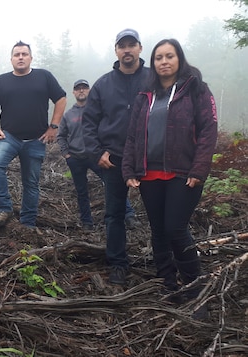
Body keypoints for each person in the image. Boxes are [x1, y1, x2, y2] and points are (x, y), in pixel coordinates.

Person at [122, 39, 217, 315]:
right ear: (153, 63)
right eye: (159, 57)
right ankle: (167, 282)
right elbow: (132, 136)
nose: (164, 62)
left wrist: (199, 169)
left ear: (179, 59)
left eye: (169, 56)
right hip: (149, 173)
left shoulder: (197, 89)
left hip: (183, 172)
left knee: (176, 228)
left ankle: (194, 288)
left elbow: (209, 131)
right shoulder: (145, 96)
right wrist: (128, 170)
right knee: (158, 230)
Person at [83, 28, 151, 285]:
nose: (127, 50)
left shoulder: (153, 79)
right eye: (122, 46)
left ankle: (166, 262)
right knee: (114, 214)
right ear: (116, 51)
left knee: (158, 213)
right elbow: (89, 123)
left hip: (149, 159)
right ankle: (118, 264)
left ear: (140, 48)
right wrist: (97, 152)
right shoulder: (103, 84)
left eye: (131, 45)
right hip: (114, 160)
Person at [0, 41, 66, 227]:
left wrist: (53, 126)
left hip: (36, 139)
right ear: (11, 59)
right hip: (9, 137)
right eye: (16, 54)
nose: (20, 57)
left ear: (30, 57)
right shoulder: (1, 81)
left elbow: (61, 98)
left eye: (24, 54)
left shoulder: (44, 77)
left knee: (31, 182)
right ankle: (3, 208)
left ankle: (27, 223)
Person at [57, 79, 138, 232]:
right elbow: (61, 136)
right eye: (78, 88)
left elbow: (108, 130)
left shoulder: (97, 111)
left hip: (97, 157)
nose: (81, 91)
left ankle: (129, 215)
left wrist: (106, 150)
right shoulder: (68, 115)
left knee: (113, 185)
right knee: (82, 191)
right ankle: (87, 222)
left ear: (89, 91)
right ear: (74, 92)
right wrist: (66, 154)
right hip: (76, 158)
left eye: (84, 88)